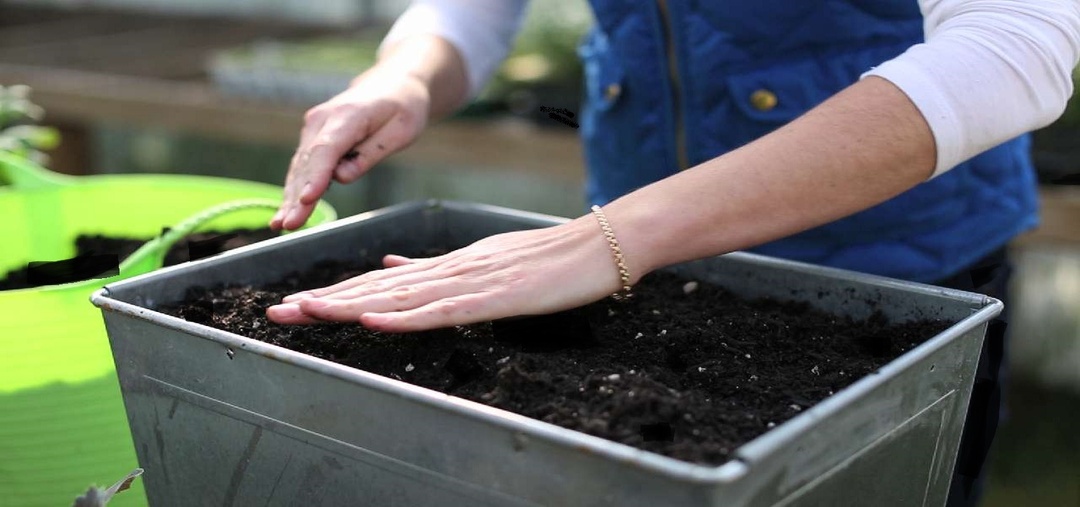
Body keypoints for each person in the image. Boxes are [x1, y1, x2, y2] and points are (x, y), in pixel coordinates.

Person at [266, 1, 1080, 505]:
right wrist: (407, 76)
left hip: (897, 266)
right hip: (642, 268)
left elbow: (1015, 43)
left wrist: (616, 235)